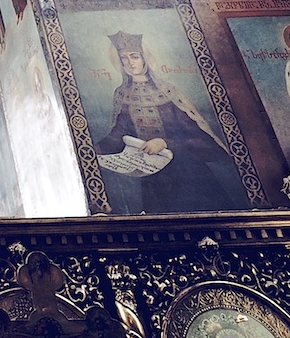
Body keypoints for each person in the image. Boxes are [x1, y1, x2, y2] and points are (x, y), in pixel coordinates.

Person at [96, 32, 242, 211]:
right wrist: (91, 152)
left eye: (134, 56)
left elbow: (199, 138)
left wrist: (165, 143)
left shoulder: (168, 91)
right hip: (154, 179)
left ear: (145, 58)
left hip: (189, 175)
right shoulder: (122, 94)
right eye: (124, 58)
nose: (130, 62)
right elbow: (117, 136)